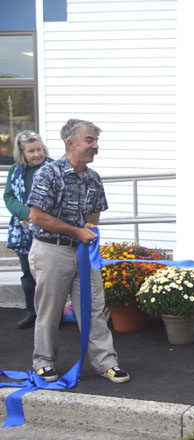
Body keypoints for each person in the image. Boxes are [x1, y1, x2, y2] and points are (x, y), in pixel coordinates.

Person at [26, 118, 130, 384]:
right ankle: (44, 362)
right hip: (52, 252)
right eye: (90, 140)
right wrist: (76, 231)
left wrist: (89, 228)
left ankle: (106, 362)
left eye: (96, 141)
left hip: (84, 253)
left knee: (94, 308)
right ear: (70, 142)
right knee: (50, 309)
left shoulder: (93, 178)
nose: (96, 146)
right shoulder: (48, 174)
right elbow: (36, 216)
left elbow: (94, 214)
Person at [4, 131, 53, 329]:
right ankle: (32, 313)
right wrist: (26, 214)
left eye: (39, 149)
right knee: (28, 274)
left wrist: (37, 218)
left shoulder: (54, 167)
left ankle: (51, 315)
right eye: (31, 151)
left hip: (49, 231)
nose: (37, 154)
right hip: (23, 232)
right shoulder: (15, 170)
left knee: (49, 276)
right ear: (22, 153)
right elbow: (9, 197)